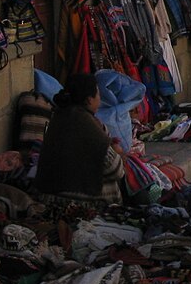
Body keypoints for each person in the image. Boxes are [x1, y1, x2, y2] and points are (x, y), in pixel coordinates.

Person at [34, 73, 126, 203]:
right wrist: (116, 151)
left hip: (49, 197)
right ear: (89, 99)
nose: (100, 99)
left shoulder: (60, 117)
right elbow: (116, 170)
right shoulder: (85, 123)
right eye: (98, 94)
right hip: (77, 203)